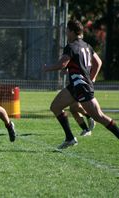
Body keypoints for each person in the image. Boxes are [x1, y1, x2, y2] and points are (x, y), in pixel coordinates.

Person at [42, 19, 119, 149]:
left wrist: (47, 68)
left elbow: (62, 64)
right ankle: (70, 138)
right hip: (75, 87)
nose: (66, 33)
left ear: (72, 31)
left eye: (67, 30)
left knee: (99, 116)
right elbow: (98, 62)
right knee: (55, 107)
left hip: (82, 86)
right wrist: (92, 78)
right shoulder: (86, 46)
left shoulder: (71, 46)